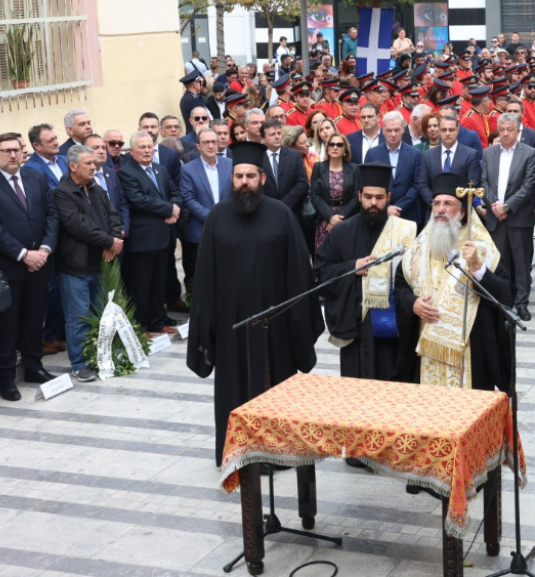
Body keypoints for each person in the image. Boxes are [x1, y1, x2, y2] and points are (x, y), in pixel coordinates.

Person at [187, 141, 322, 464]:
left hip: (275, 326)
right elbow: (204, 277)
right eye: (238, 176)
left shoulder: (282, 214)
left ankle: (277, 452)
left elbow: (298, 273)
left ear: (262, 178)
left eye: (250, 175)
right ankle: (237, 451)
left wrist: (299, 322)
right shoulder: (218, 217)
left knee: (277, 388)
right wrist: (206, 326)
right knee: (235, 390)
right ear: (231, 179)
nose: (243, 182)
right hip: (231, 327)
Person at [394, 172, 511, 390]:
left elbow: (505, 293)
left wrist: (478, 267)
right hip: (424, 347)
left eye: (448, 203)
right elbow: (400, 286)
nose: (440, 209)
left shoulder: (482, 247)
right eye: (436, 203)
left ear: (463, 210)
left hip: (469, 350)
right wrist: (412, 304)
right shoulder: (418, 248)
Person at [316, 163, 418, 396]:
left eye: (379, 198)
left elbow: (416, 276)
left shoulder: (405, 231)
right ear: (359, 196)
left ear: (389, 197)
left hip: (394, 329)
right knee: (356, 395)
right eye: (368, 197)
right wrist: (352, 267)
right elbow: (322, 273)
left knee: (393, 395)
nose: (373, 203)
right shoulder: (341, 232)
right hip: (356, 328)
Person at [0, 133, 58, 401]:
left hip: (40, 264)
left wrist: (43, 250)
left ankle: (34, 367)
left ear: (23, 153)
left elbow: (52, 215)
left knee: (34, 320)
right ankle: (6, 378)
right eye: (6, 150)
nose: (12, 155)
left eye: (16, 150)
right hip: (9, 267)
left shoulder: (37, 178)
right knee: (6, 326)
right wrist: (23, 254)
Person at [53, 145, 125, 383]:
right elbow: (76, 224)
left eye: (94, 163)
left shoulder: (96, 188)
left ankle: (99, 357)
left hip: (101, 262)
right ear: (73, 166)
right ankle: (80, 364)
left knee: (101, 314)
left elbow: (114, 216)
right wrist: (108, 241)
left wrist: (114, 240)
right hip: (76, 266)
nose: (95, 167)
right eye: (88, 164)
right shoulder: (62, 193)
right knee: (77, 317)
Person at [117, 130, 180, 337]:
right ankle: (141, 325)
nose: (147, 150)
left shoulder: (160, 169)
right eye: (142, 147)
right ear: (132, 151)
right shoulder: (126, 172)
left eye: (149, 146)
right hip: (142, 240)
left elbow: (175, 192)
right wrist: (168, 209)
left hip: (163, 237)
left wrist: (175, 208)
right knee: (141, 285)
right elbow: (138, 199)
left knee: (159, 282)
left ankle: (157, 320)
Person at [480, 112, 535, 320]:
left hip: (518, 217)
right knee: (499, 263)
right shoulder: (489, 153)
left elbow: (529, 185)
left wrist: (507, 206)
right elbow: (484, 183)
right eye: (502, 130)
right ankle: (503, 302)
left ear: (518, 131)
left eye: (509, 130)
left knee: (522, 265)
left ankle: (522, 304)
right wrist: (495, 206)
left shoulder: (529, 153)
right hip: (495, 218)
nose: (505, 134)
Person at [178, 128, 231, 292]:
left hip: (229, 228)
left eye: (213, 142)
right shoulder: (188, 169)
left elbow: (236, 194)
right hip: (200, 230)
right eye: (206, 142)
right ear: (198, 146)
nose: (210, 145)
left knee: (227, 273)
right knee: (202, 276)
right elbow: (188, 199)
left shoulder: (229, 164)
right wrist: (213, 217)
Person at [363, 112, 423, 225]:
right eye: (389, 130)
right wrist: (387, 207)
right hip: (380, 214)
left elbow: (417, 185)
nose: (393, 134)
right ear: (383, 130)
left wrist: (399, 207)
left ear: (403, 130)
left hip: (408, 214)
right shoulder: (372, 154)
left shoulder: (415, 154)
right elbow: (368, 185)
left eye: (397, 130)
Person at [310, 133, 360, 252]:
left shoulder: (354, 169)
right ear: (327, 148)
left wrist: (338, 219)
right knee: (324, 256)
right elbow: (315, 195)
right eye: (331, 144)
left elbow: (356, 196)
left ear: (345, 149)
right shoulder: (318, 168)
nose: (335, 147)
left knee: (345, 254)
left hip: (347, 219)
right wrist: (331, 217)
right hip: (324, 219)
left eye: (339, 145)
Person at [418, 115, 482, 206]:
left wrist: (454, 204)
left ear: (458, 131)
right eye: (444, 130)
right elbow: (422, 184)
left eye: (451, 130)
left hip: (460, 212)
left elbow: (473, 184)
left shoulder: (471, 155)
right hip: (433, 210)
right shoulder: (428, 156)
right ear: (439, 132)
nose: (447, 133)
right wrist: (434, 203)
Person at [258, 119, 309, 216]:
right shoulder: (257, 158)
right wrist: (272, 206)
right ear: (263, 138)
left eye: (279, 133)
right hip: (267, 212)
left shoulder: (294, 155)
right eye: (272, 134)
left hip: (292, 211)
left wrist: (284, 205)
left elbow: (302, 183)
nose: (277, 137)